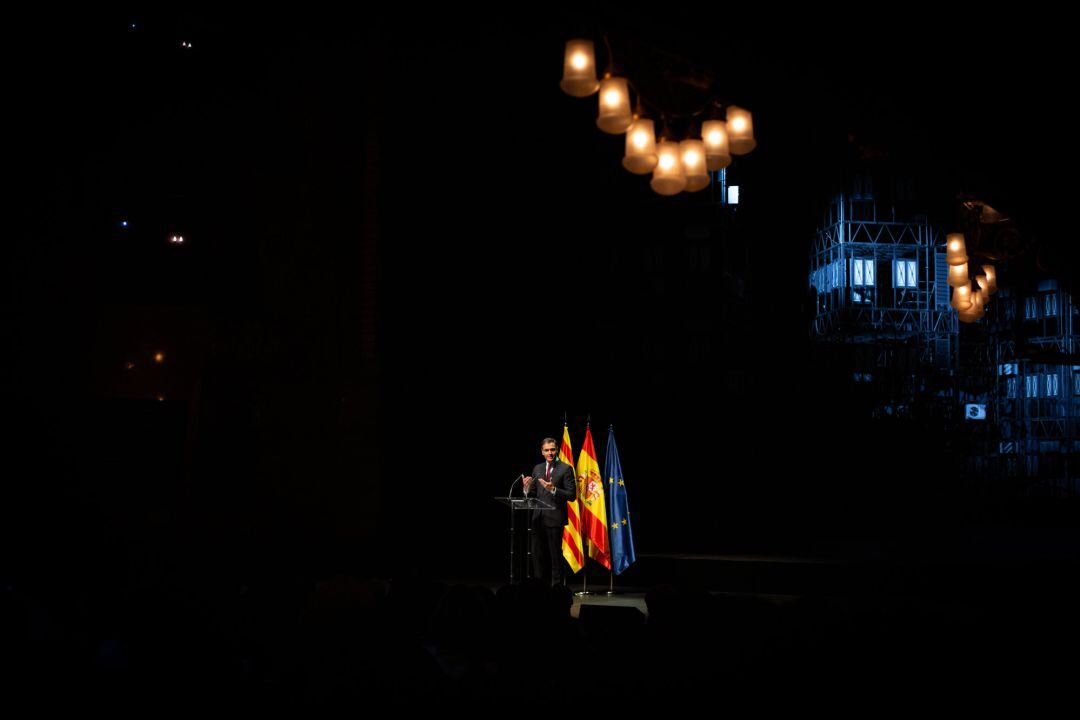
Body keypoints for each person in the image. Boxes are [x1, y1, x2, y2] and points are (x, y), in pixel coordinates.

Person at [522, 437, 577, 586]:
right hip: (538, 518)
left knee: (554, 555)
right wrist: (526, 488)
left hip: (555, 518)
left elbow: (572, 495)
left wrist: (553, 489)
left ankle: (557, 588)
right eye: (546, 450)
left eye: (552, 449)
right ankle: (539, 586)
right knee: (537, 555)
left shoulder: (565, 468)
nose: (550, 453)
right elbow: (532, 493)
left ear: (557, 449)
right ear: (542, 452)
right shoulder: (537, 468)